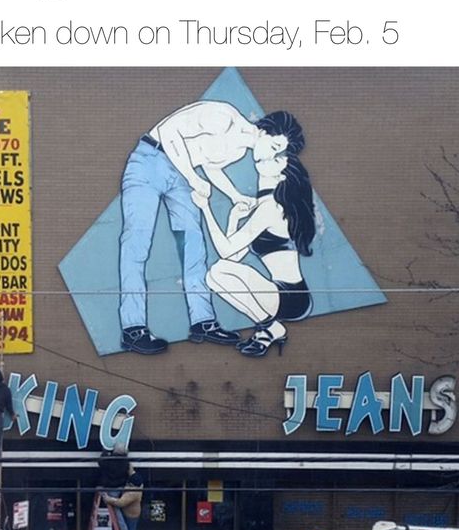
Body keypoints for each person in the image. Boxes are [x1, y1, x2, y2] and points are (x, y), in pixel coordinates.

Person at [119, 99, 290, 354]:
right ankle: (133, 329)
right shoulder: (224, 116)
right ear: (264, 131)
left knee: (194, 247)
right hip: (151, 159)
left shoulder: (238, 151)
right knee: (137, 243)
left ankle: (203, 322)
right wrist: (192, 178)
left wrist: (234, 196)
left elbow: (210, 167)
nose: (271, 155)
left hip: (181, 175)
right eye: (275, 146)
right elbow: (169, 132)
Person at [192, 111, 316, 358]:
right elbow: (232, 257)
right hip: (277, 294)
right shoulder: (264, 206)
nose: (267, 156)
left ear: (283, 170)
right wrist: (233, 218)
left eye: (278, 155)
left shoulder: (271, 207)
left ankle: (271, 328)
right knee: (218, 273)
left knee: (217, 273)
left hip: (290, 296)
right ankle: (270, 327)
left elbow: (225, 252)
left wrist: (205, 208)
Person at [102, 465, 144, 530]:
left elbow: (120, 502)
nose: (128, 484)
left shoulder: (132, 493)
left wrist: (108, 499)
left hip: (131, 516)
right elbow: (132, 471)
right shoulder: (138, 482)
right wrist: (126, 463)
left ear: (132, 485)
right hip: (132, 512)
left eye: (129, 484)